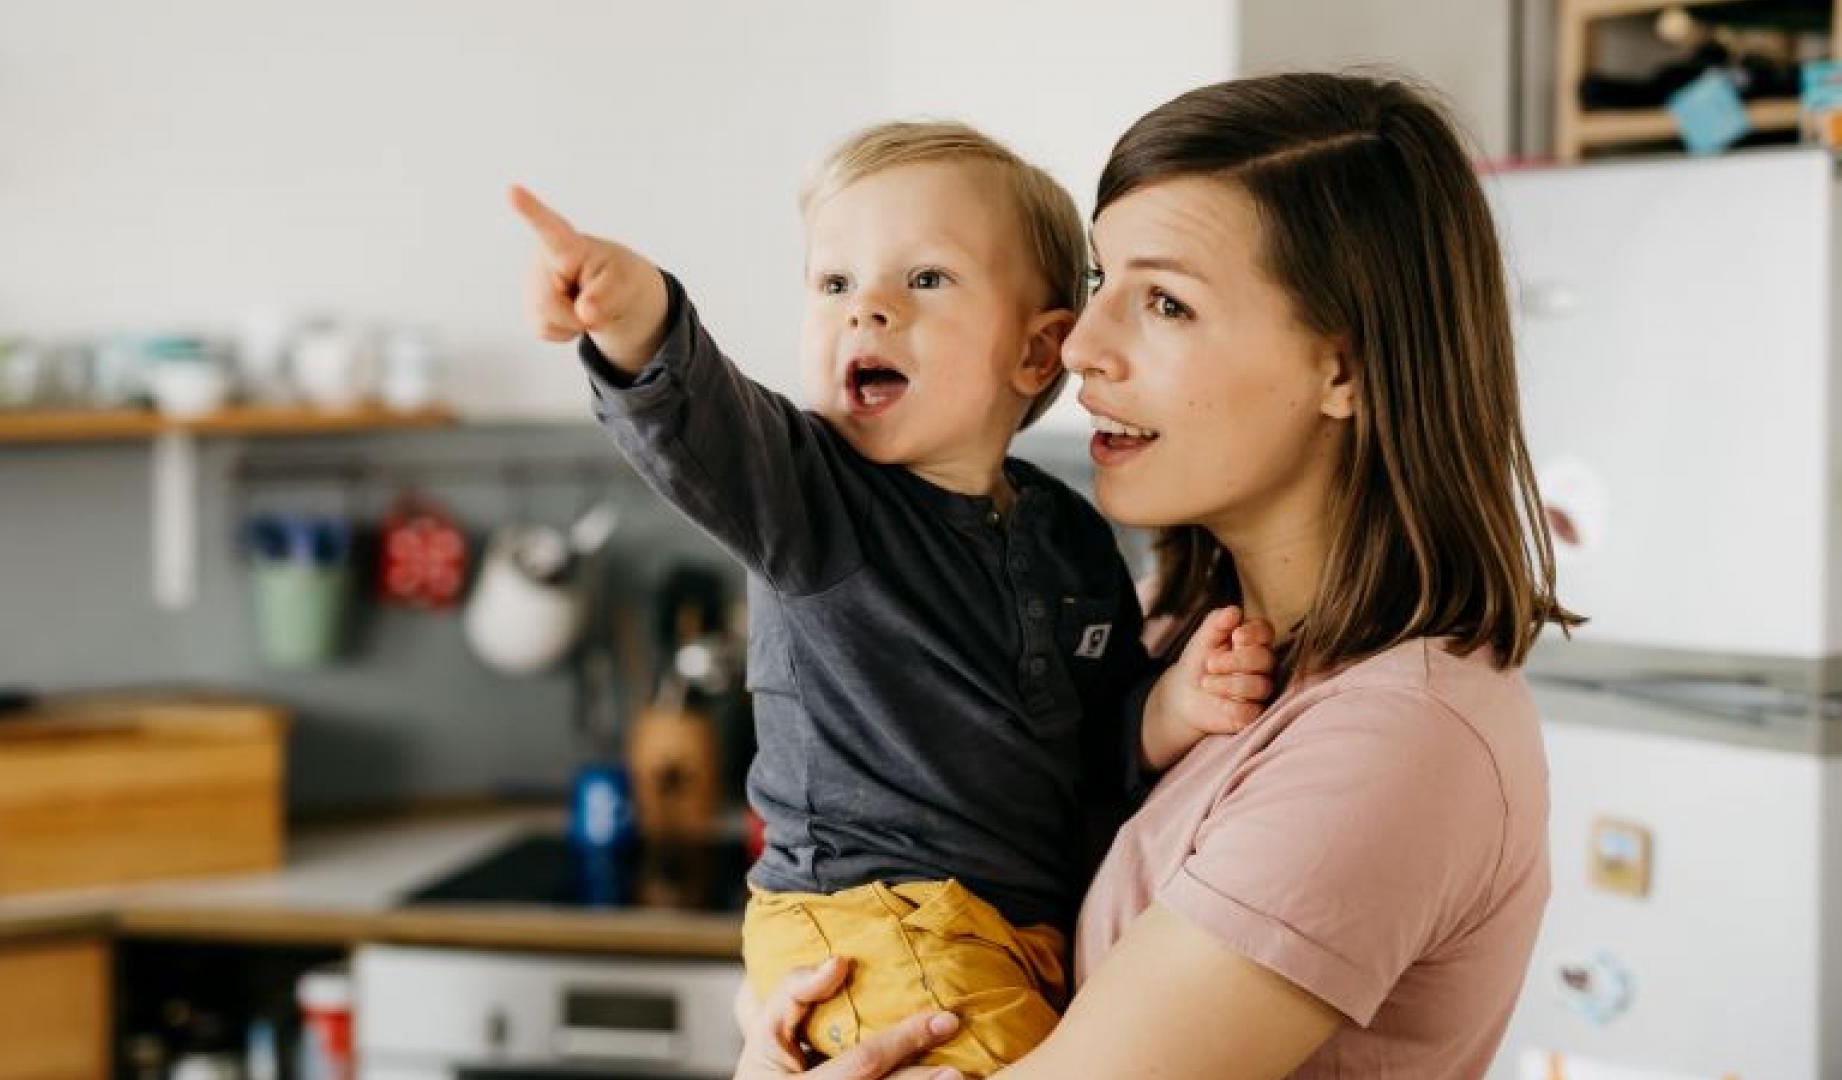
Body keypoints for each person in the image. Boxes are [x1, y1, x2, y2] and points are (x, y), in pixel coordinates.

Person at [732, 71, 1579, 1080]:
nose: (1081, 347)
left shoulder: (1402, 739)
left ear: (1343, 370)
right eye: (1101, 284)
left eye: (1166, 303)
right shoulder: (1167, 634)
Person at [510, 121, 1278, 1077]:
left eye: (925, 279)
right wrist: (636, 314)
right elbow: (695, 415)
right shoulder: (811, 500)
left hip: (1005, 933)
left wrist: (1172, 708)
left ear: (1038, 350)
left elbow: (1092, 744)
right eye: (834, 283)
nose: (866, 309)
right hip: (872, 917)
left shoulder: (1072, 538)